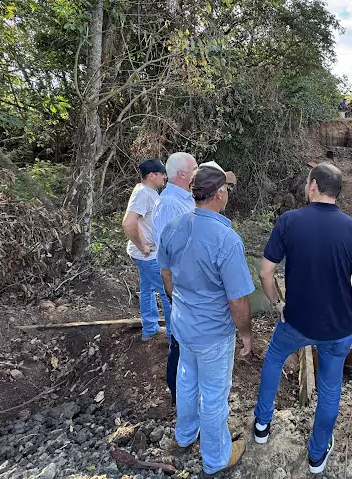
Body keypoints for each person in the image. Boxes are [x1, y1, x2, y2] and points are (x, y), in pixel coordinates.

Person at [253, 162, 352, 474]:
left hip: (295, 322)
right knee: (330, 388)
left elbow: (266, 272)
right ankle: (317, 455)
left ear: (314, 186)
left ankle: (263, 425)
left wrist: (277, 302)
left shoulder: (290, 221)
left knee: (274, 359)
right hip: (337, 328)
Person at [158, 163, 254, 477]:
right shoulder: (226, 240)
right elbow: (237, 300)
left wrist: (179, 303)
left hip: (183, 323)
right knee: (213, 394)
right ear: (220, 194)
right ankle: (216, 458)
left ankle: (185, 435)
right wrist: (246, 334)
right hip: (213, 332)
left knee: (186, 379)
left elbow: (166, 275)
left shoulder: (173, 226)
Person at [152, 152, 198, 405]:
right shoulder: (170, 204)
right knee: (180, 342)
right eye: (195, 168)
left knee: (187, 339)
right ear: (182, 173)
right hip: (182, 285)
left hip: (189, 283)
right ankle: (178, 394)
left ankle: (187, 391)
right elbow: (169, 251)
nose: (197, 172)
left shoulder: (184, 199)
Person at [122, 159, 169, 341]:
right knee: (167, 293)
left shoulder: (147, 192)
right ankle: (173, 336)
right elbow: (129, 222)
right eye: (162, 173)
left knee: (147, 289)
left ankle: (150, 329)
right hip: (148, 256)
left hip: (145, 254)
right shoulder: (144, 194)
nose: (165, 177)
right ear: (152, 175)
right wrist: (142, 246)